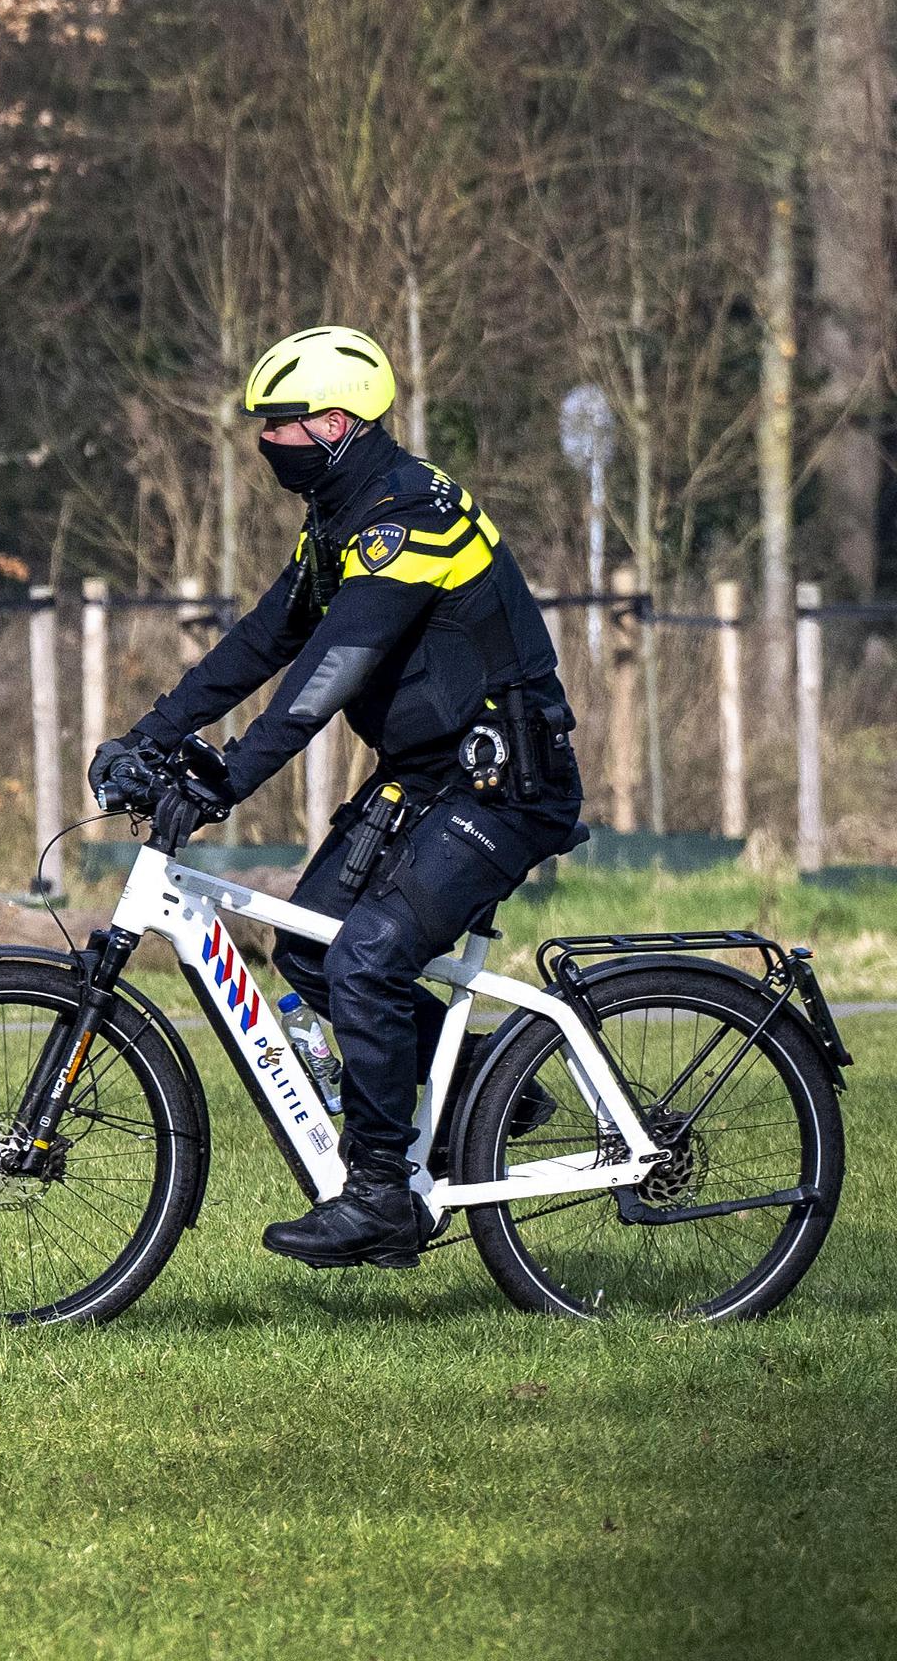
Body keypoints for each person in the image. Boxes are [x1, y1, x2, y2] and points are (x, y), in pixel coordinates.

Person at [91, 326, 585, 1272]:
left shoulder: (412, 518)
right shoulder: (340, 521)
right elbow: (263, 641)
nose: (266, 442)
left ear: (337, 422)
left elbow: (328, 674)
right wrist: (150, 734)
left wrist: (227, 778)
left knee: (366, 956)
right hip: (425, 779)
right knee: (310, 949)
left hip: (503, 786)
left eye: (280, 426)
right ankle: (485, 1084)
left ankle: (380, 1199)